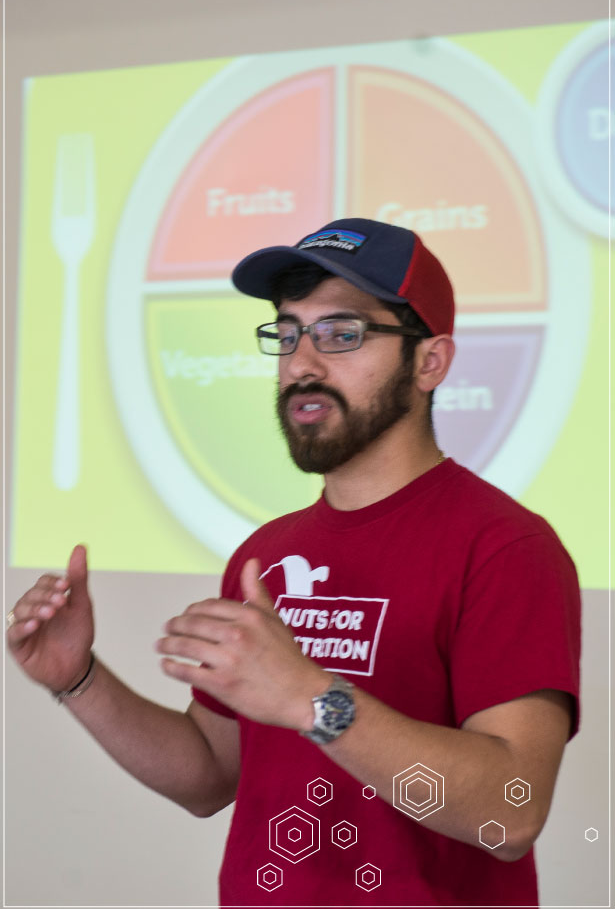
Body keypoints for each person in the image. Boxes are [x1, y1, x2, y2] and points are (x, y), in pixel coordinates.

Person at [7, 218, 580, 907]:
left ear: (429, 362)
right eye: (287, 333)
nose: (301, 363)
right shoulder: (265, 556)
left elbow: (509, 815)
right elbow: (212, 774)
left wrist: (311, 699)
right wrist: (80, 681)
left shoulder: (504, 548)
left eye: (342, 333)